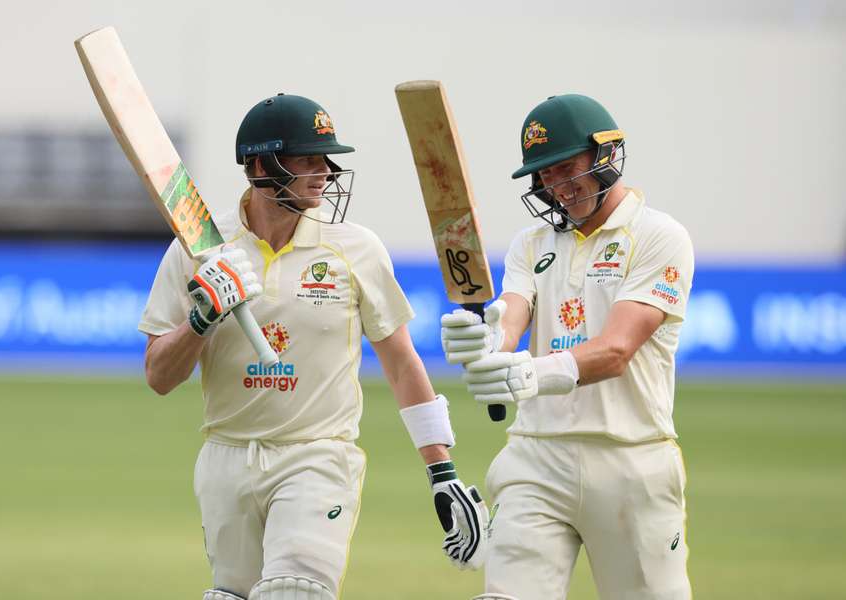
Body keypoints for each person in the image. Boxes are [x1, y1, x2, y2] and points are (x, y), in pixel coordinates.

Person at [138, 93, 486, 600]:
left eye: (326, 159)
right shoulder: (199, 250)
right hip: (226, 459)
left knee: (293, 592)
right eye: (306, 159)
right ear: (259, 165)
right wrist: (201, 320)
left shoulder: (355, 248)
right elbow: (158, 376)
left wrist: (442, 471)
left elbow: (401, 362)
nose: (322, 172)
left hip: (317, 457)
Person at [441, 94, 694, 600]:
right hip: (537, 455)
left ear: (605, 154)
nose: (556, 186)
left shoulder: (659, 236)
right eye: (545, 175)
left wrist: (530, 373)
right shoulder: (531, 243)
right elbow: (512, 313)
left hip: (630, 457)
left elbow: (618, 349)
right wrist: (490, 342)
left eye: (566, 168)